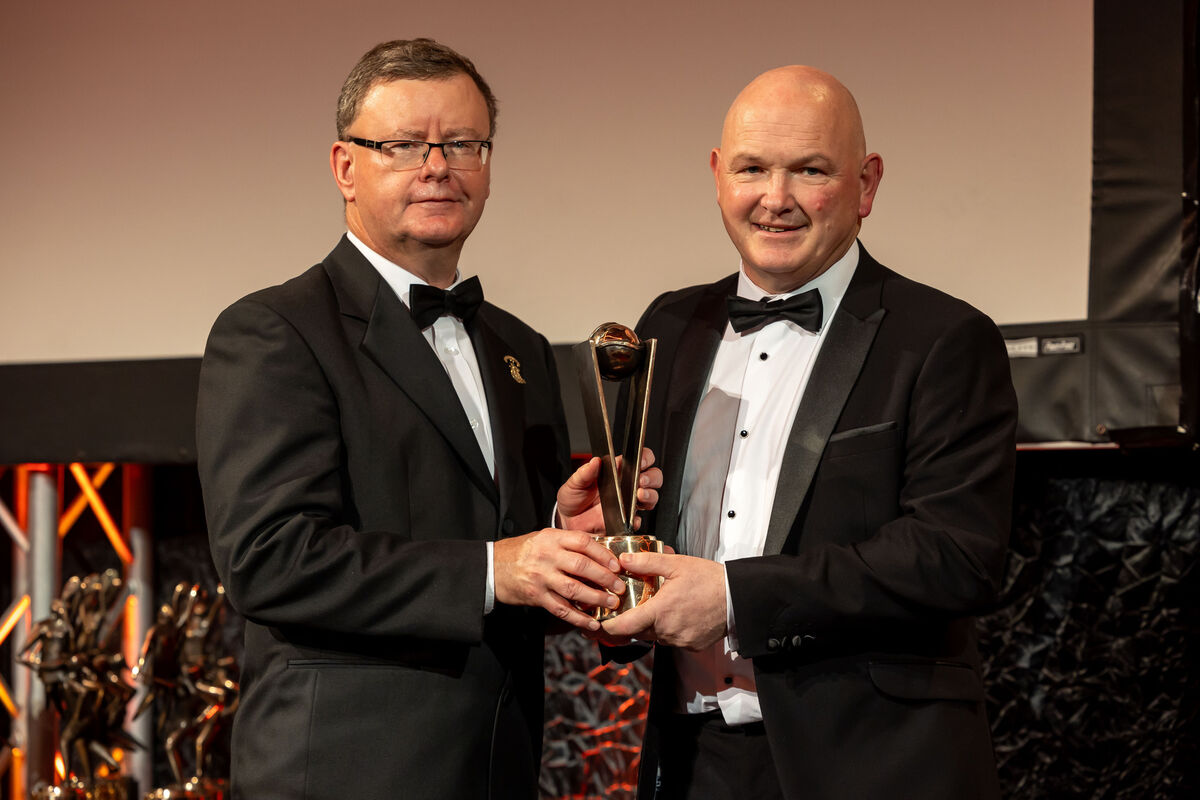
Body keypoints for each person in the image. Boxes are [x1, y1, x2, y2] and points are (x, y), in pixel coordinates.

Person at [196, 38, 658, 800]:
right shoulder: (276, 331)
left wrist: (563, 542)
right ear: (346, 166)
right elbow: (269, 559)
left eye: (463, 144)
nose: (438, 165)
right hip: (341, 776)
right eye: (404, 145)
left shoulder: (520, 347)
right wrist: (495, 568)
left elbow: (509, 576)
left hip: (497, 770)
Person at [598, 66, 1017, 799]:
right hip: (693, 761)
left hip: (874, 763)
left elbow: (957, 555)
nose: (776, 198)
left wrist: (734, 597)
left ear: (866, 183)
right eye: (752, 168)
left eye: (811, 170)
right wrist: (604, 540)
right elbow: (646, 529)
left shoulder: (945, 338)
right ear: (718, 175)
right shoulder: (668, 325)